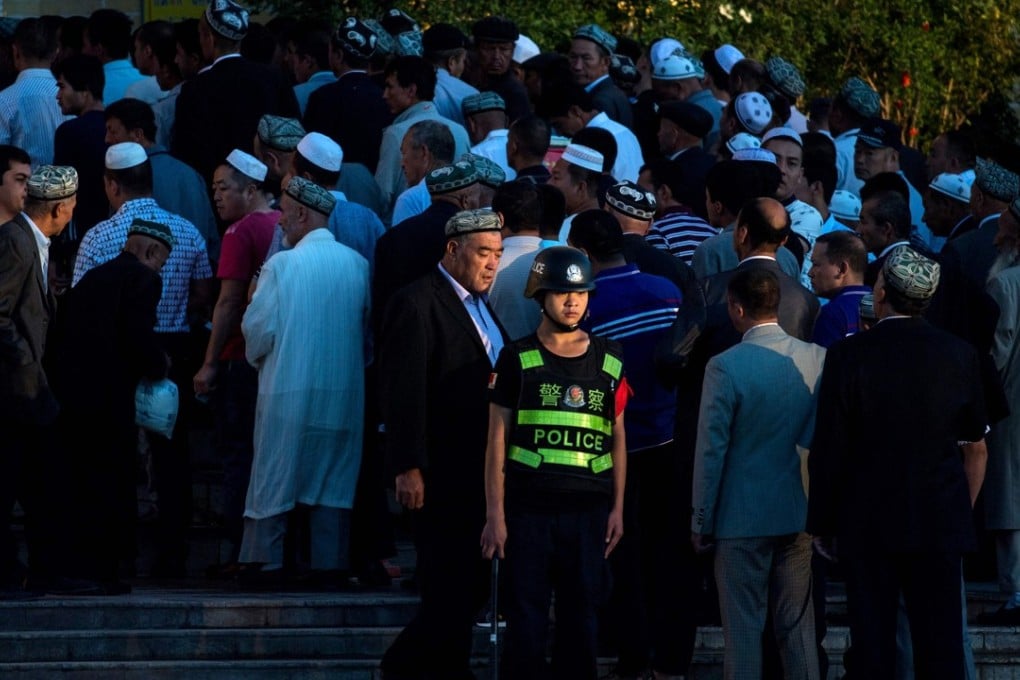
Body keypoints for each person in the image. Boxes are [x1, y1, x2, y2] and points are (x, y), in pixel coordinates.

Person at [808, 246, 988, 679]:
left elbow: (830, 447)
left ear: (882, 290)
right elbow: (976, 448)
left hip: (868, 522)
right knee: (940, 645)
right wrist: (960, 512)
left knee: (873, 643)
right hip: (939, 521)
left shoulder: (849, 356)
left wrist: (823, 522)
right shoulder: (959, 355)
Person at [480, 245, 627, 679]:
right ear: (540, 295)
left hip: (589, 513)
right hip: (528, 511)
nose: (571, 301)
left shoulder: (610, 359)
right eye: (562, 292)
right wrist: (495, 514)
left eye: (580, 293)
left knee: (581, 621)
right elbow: (496, 441)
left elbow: (618, 436)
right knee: (525, 622)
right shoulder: (516, 359)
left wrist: (618, 508)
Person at [73, 141, 213, 578]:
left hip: (115, 359)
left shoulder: (99, 236)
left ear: (111, 185)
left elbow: (81, 302)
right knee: (171, 459)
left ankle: (119, 555)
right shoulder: (186, 231)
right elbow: (204, 295)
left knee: (116, 458)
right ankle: (173, 555)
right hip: (173, 351)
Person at [379, 209, 509, 678]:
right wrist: (407, 465)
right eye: (482, 253)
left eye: (497, 253)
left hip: (481, 472)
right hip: (439, 474)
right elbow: (403, 391)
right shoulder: (416, 303)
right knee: (448, 586)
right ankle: (399, 667)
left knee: (467, 585)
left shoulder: (483, 306)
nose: (492, 263)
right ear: (453, 251)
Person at [568, 210, 687, 680]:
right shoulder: (668, 293)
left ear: (583, 251)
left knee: (624, 554)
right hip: (669, 440)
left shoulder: (589, 308)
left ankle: (633, 658)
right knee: (670, 555)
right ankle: (672, 658)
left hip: (615, 448)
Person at [692, 267, 825, 680]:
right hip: (798, 511)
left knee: (744, 632)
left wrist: (701, 517)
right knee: (798, 630)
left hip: (740, 517)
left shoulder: (724, 366)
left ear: (736, 308)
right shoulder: (817, 358)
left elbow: (711, 449)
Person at [238, 176, 368, 585]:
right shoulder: (358, 264)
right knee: (333, 477)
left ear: (301, 214)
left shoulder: (281, 265)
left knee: (277, 472)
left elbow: (257, 332)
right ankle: (328, 563)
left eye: (284, 217)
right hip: (344, 393)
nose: (279, 225)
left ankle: (267, 562)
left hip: (288, 391)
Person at [0, 155, 99, 598]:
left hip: (32, 395)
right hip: (15, 394)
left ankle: (45, 570)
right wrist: (25, 368)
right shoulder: (14, 243)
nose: (74, 212)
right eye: (73, 205)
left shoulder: (32, 243)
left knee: (43, 487)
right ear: (59, 208)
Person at [56, 217, 172, 594]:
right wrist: (160, 363)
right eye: (162, 261)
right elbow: (137, 337)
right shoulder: (144, 279)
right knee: (109, 482)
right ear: (152, 251)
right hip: (109, 401)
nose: (161, 269)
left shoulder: (94, 277)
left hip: (73, 398)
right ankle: (103, 570)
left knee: (79, 482)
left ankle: (77, 566)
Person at [193, 150, 277, 573]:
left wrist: (208, 363)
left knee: (237, 454)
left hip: (240, 359)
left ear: (251, 190)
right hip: (274, 362)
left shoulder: (240, 232)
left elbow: (227, 302)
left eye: (224, 188)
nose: (217, 197)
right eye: (213, 189)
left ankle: (240, 550)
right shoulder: (284, 224)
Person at [172, 0, 299, 185]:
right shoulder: (273, 78)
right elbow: (293, 134)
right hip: (268, 189)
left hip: (218, 191)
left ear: (209, 38)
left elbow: (187, 151)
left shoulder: (195, 88)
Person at [104, 97, 220, 262]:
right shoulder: (191, 174)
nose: (107, 139)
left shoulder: (127, 176)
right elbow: (212, 241)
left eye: (113, 131)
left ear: (138, 134)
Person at [980, 197, 1020, 624]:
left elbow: (997, 354)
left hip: (1013, 406)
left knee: (1011, 500)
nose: (995, 238)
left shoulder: (1006, 284)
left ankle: (1016, 596)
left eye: (1003, 230)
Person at [374, 55, 471, 212]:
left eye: (390, 87)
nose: (385, 95)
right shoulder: (460, 131)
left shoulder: (395, 134)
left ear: (411, 90)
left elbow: (382, 196)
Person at [303, 17, 393, 174]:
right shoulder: (384, 97)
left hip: (328, 184)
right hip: (370, 186)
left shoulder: (323, 97)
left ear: (338, 56)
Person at [0, 18, 68, 167]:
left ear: (15, 52)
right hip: (68, 187)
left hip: (20, 188)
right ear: (56, 53)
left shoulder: (4, 100)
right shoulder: (73, 97)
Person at [808, 230, 870, 347]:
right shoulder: (882, 306)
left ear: (842, 269)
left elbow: (823, 363)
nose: (810, 273)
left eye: (816, 264)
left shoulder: (833, 313)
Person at [83, 9, 154, 104]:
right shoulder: (153, 82)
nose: (82, 51)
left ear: (98, 49)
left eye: (84, 45)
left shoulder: (87, 91)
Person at [568, 24, 632, 128]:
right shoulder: (614, 93)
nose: (577, 66)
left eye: (586, 58)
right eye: (573, 57)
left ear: (606, 62)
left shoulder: (600, 101)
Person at [470, 16, 530, 124]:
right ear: (476, 49)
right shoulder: (468, 81)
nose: (496, 56)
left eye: (504, 49)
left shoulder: (515, 94)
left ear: (512, 51)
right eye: (489, 49)